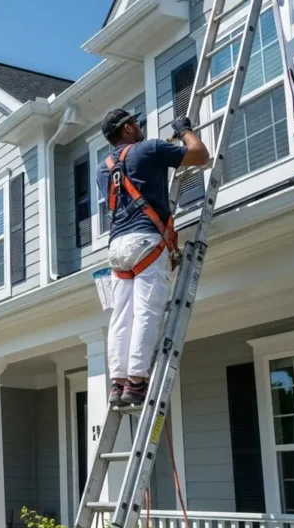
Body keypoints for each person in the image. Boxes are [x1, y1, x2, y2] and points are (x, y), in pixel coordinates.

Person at [98, 110, 210, 406]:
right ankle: (136, 383)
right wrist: (185, 131)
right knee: (147, 310)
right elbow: (201, 156)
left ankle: (117, 383)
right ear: (126, 129)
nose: (140, 126)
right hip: (146, 241)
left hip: (117, 247)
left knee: (121, 317)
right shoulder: (150, 149)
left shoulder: (103, 167)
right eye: (135, 123)